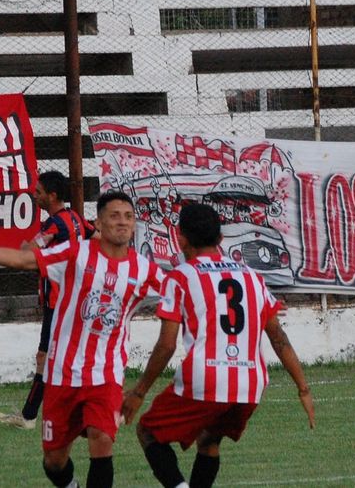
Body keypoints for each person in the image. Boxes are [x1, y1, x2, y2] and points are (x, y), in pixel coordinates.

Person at [0, 190, 161, 488]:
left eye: (128, 217)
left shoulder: (145, 270)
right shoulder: (75, 254)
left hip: (105, 373)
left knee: (102, 439)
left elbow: (183, 294)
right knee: (54, 461)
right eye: (114, 216)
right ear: (99, 222)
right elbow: (23, 259)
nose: (122, 222)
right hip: (62, 374)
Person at [121, 203, 315, 488]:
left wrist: (139, 392)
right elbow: (278, 337)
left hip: (207, 377)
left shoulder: (181, 277)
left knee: (148, 431)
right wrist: (303, 389)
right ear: (221, 239)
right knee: (209, 439)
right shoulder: (252, 277)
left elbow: (166, 344)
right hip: (249, 385)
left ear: (180, 238)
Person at [0, 170, 94, 430]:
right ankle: (34, 413)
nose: (34, 195)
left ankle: (30, 416)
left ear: (52, 196)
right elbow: (96, 237)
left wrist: (26, 246)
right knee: (64, 356)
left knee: (46, 356)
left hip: (58, 303)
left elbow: (29, 252)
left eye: (38, 192)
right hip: (77, 300)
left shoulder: (54, 224)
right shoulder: (76, 219)